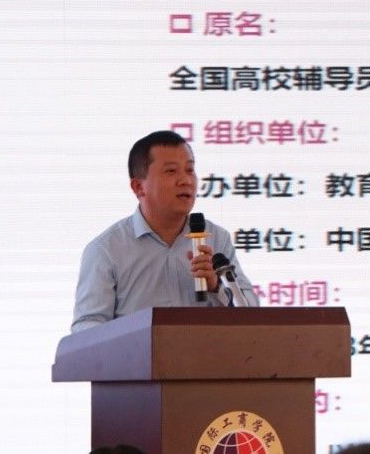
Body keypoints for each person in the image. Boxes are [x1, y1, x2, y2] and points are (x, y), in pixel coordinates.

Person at [72, 130, 258, 333]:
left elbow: (252, 311)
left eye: (190, 170)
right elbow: (87, 327)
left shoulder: (217, 239)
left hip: (207, 352)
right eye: (171, 171)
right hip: (137, 354)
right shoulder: (106, 250)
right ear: (138, 187)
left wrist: (216, 287)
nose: (185, 180)